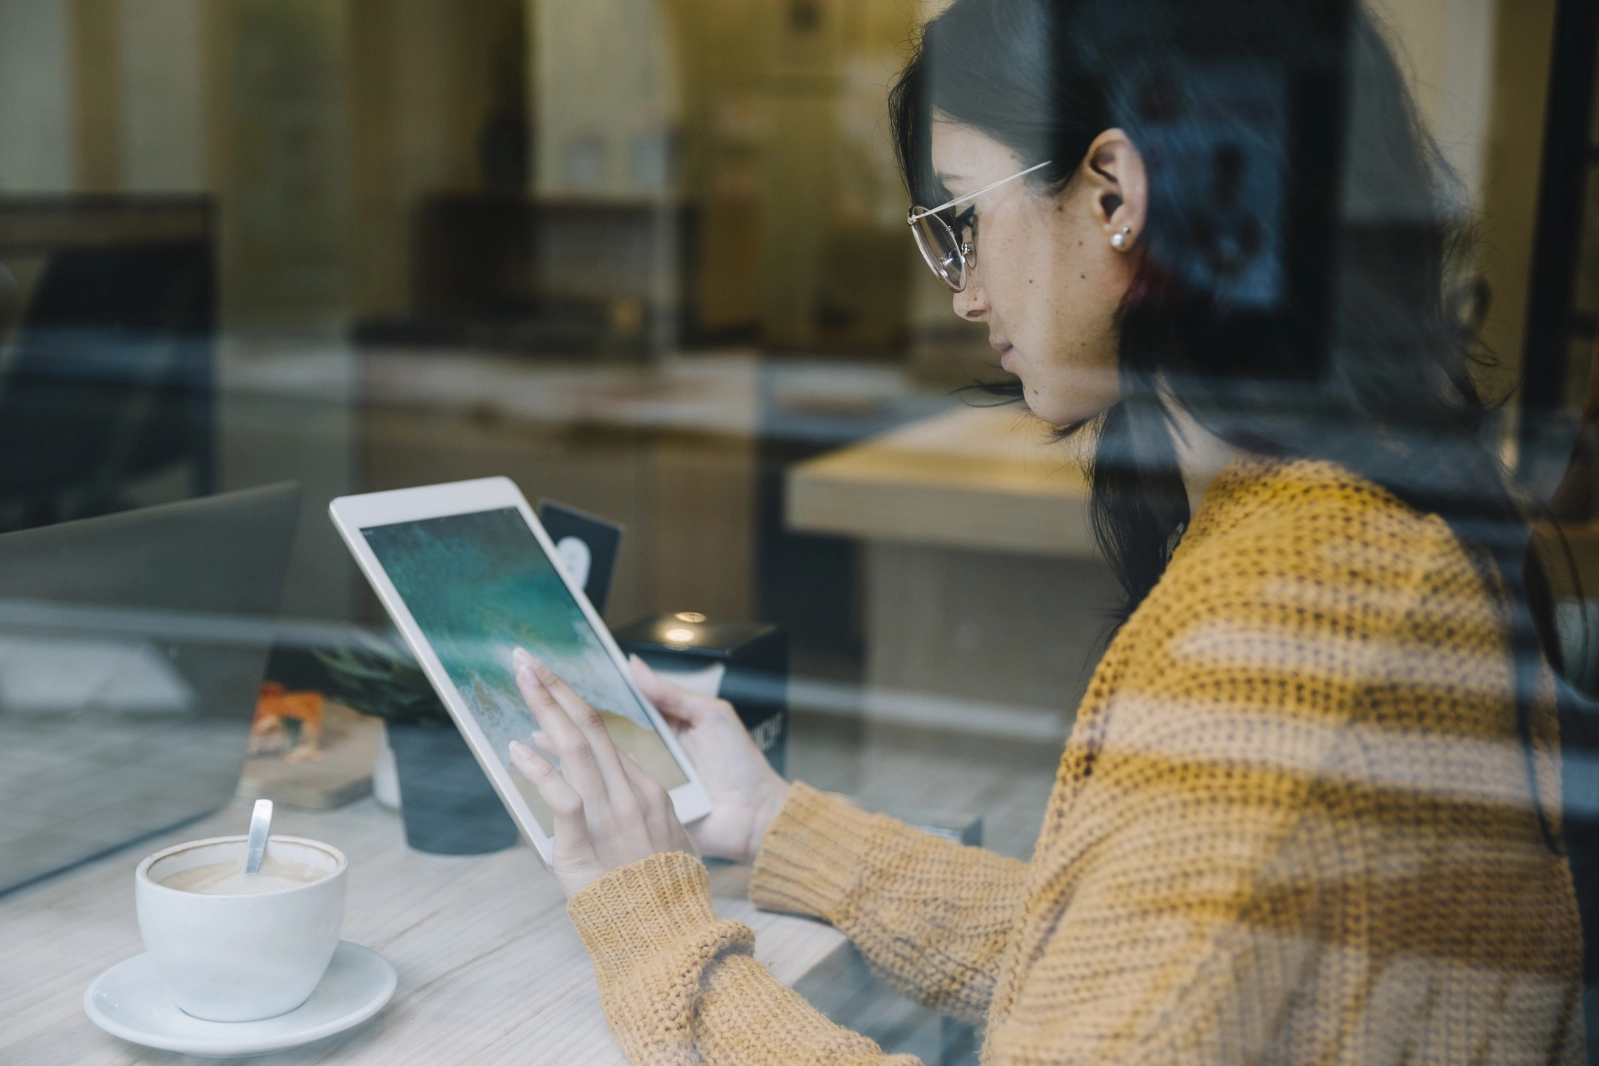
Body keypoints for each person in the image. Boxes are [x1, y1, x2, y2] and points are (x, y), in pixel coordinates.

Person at [504, 0, 1584, 1061]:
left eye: (964, 219)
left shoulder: (1275, 641)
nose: (967, 295)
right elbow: (1128, 966)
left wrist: (655, 933)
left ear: (1113, 193)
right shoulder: (1345, 542)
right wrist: (776, 822)